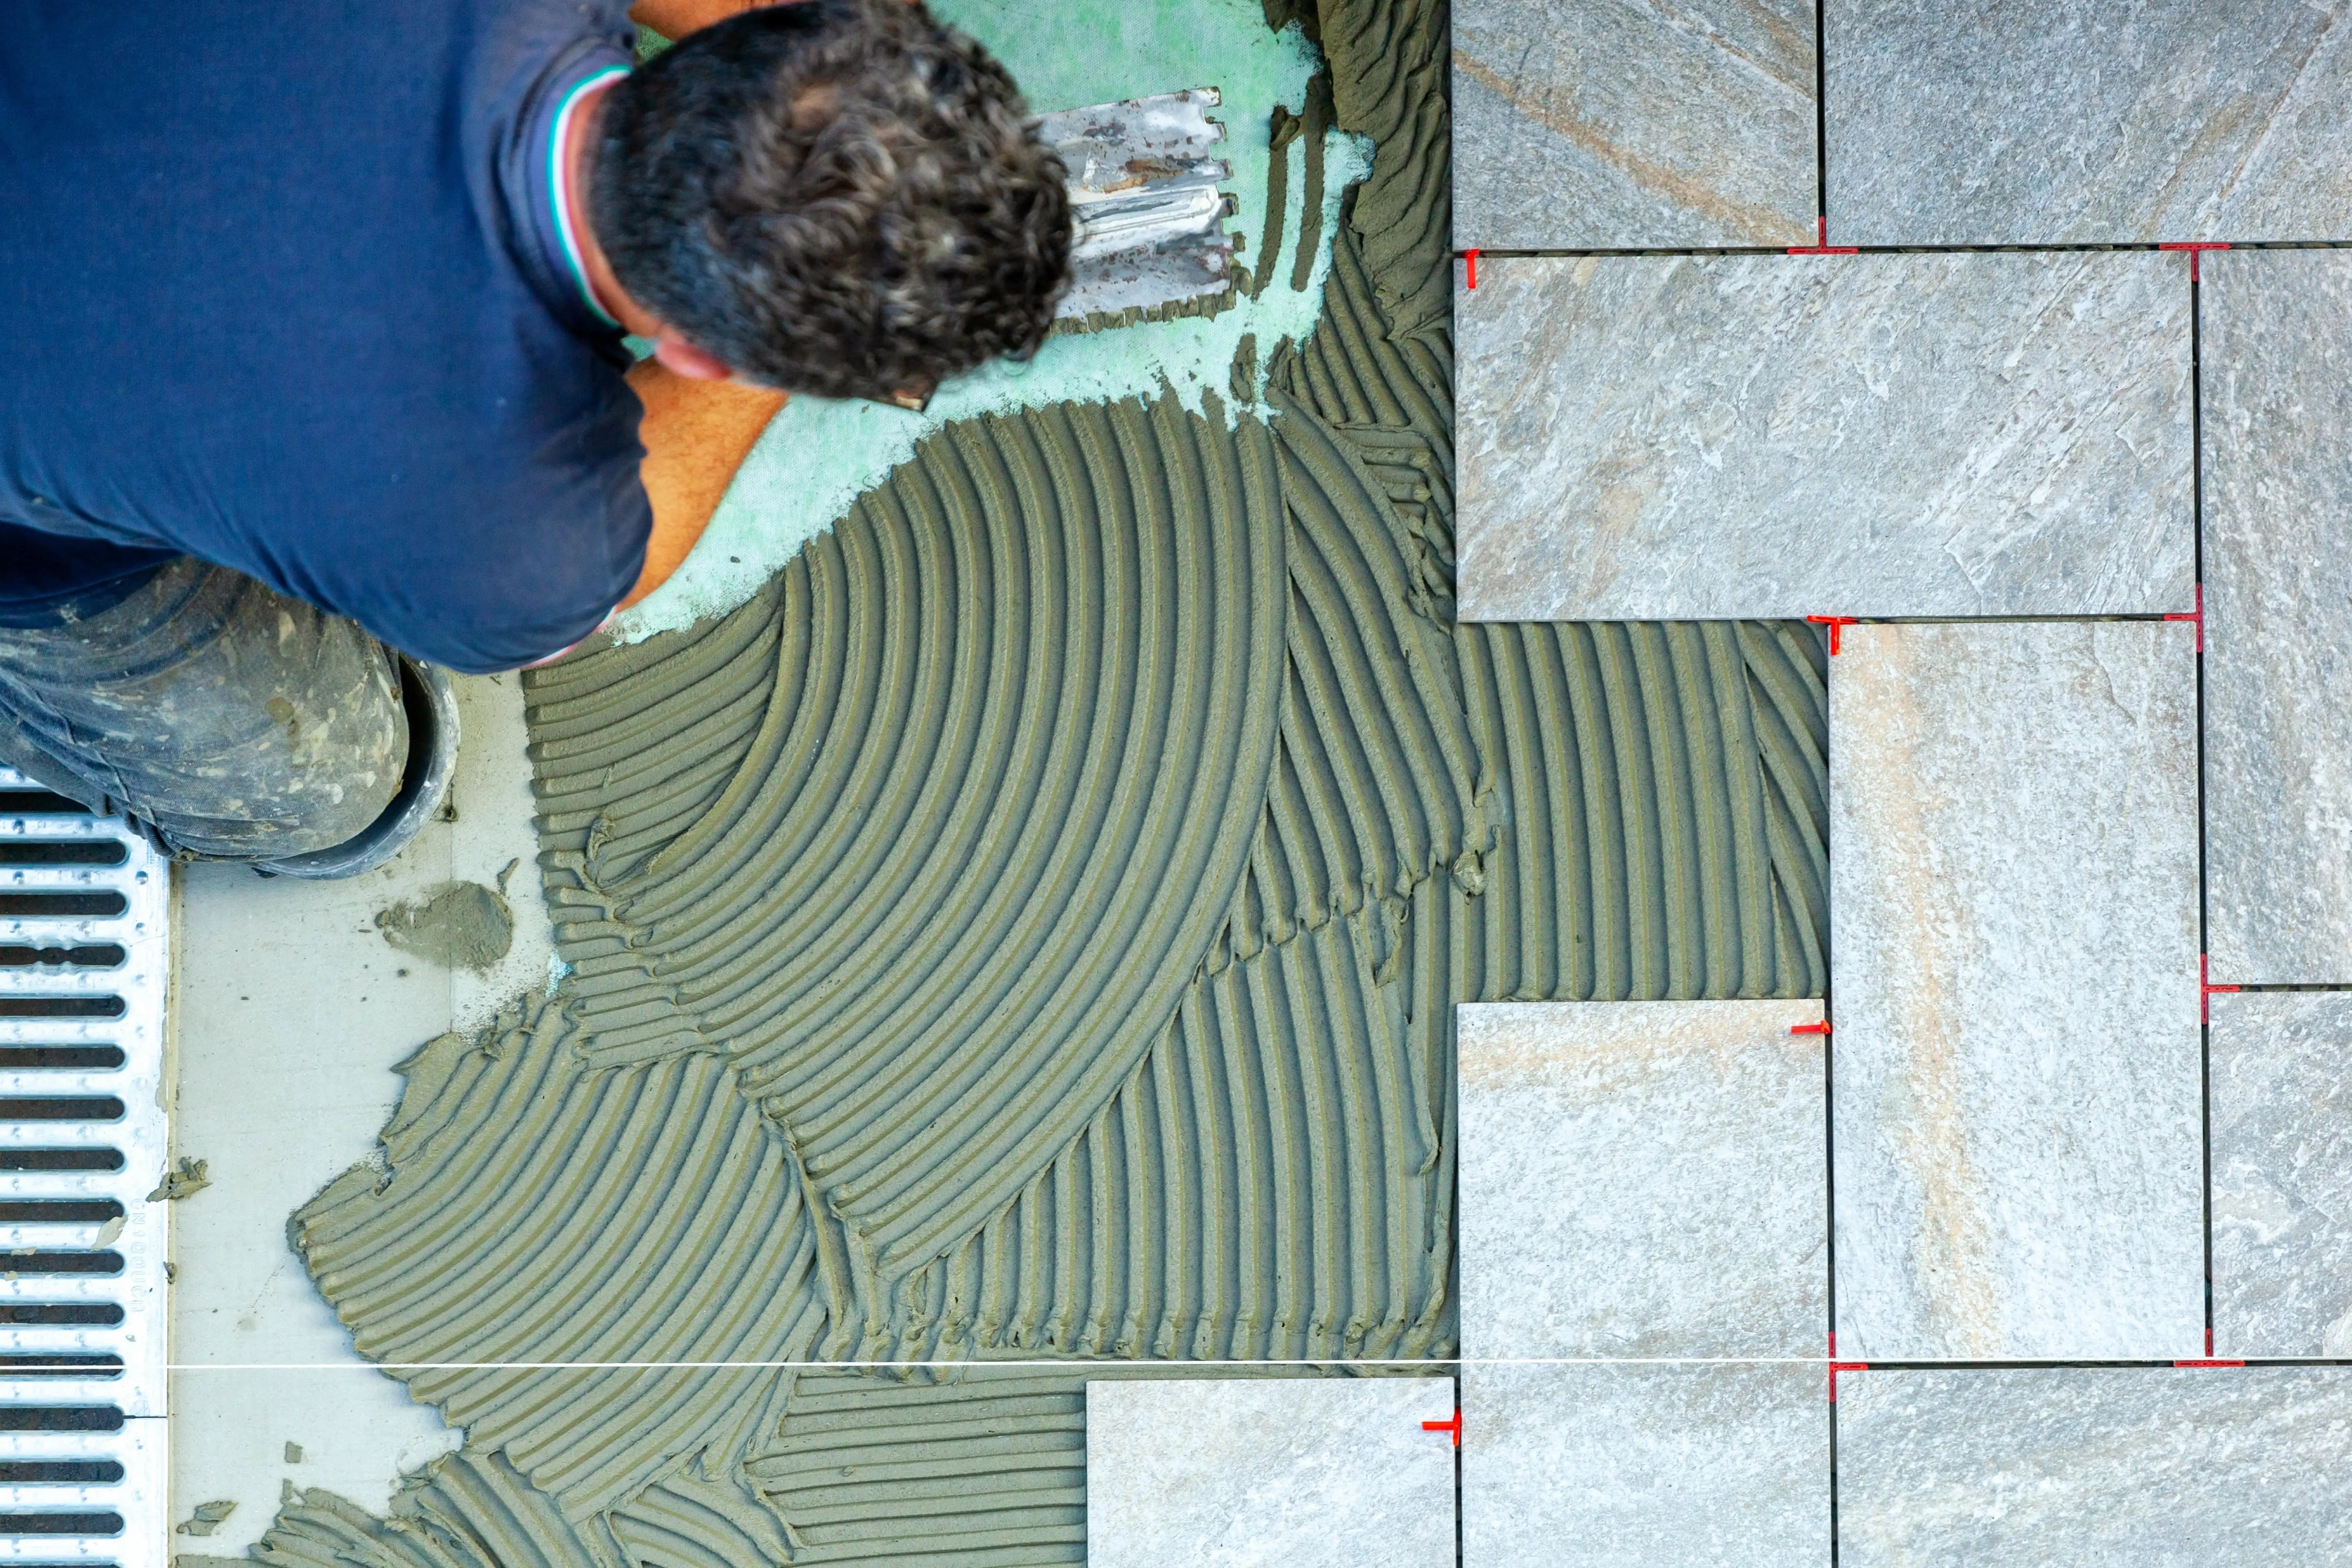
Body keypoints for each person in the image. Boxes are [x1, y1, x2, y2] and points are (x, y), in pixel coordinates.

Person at [0, 0, 1069, 872]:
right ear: (699, 355)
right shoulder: (503, 545)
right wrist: (790, 362)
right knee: (346, 799)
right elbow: (617, 563)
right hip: (31, 541)